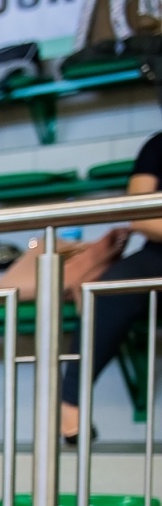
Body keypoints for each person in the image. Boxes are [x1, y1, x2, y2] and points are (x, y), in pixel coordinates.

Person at [61, 130, 162, 439]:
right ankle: (69, 405)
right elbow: (140, 215)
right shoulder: (158, 145)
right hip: (158, 253)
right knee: (106, 291)